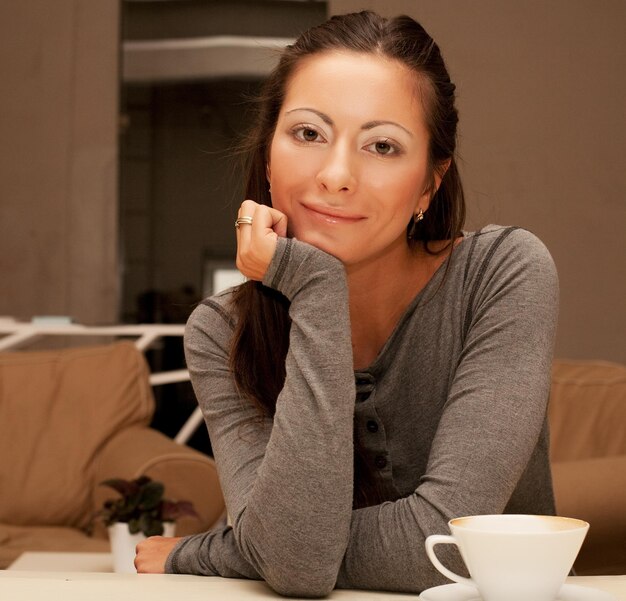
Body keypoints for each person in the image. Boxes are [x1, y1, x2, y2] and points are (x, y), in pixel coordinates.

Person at [134, 10, 559, 596]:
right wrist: (312, 287)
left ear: (429, 186)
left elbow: (454, 549)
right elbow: (294, 566)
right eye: (308, 134)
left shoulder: (502, 274)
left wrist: (237, 550)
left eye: (382, 146)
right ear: (267, 156)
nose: (336, 175)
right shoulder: (220, 332)